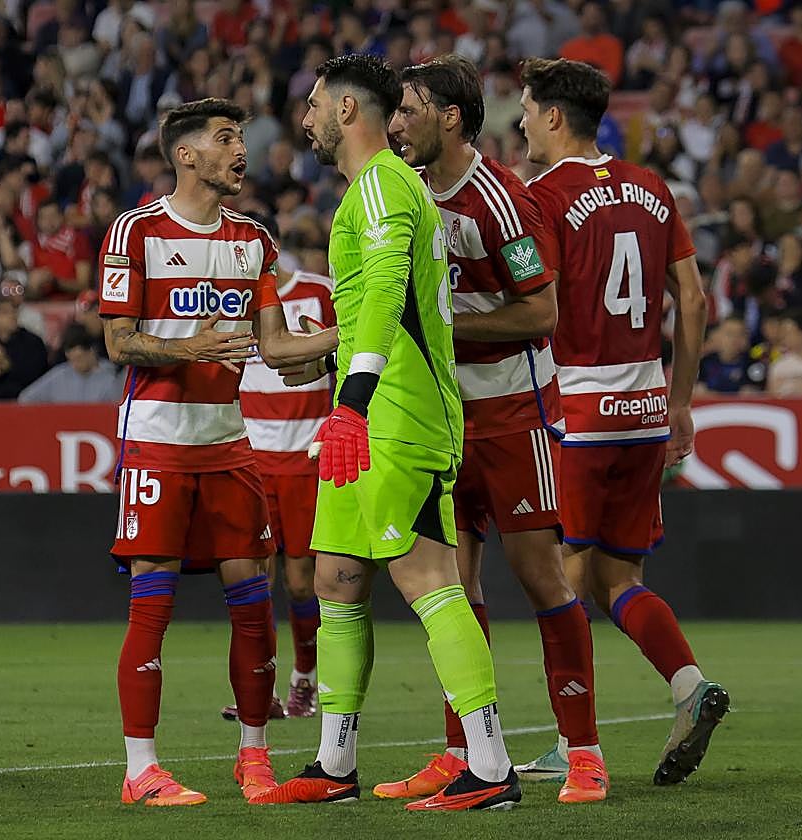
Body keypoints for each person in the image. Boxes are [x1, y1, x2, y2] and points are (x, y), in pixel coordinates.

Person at [252, 54, 518, 812]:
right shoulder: (375, 189)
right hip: (369, 414)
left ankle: (490, 766)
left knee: (429, 579)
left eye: (312, 104)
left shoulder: (382, 185)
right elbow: (382, 309)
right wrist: (334, 361)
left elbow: (388, 296)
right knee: (335, 580)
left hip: (396, 418)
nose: (304, 118)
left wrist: (352, 400)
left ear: (345, 110)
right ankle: (335, 765)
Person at [380, 55, 604, 806]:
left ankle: (584, 753)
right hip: (442, 415)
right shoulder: (406, 191)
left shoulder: (500, 201)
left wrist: (443, 324)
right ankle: (466, 754)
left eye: (409, 109)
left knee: (541, 577)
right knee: (453, 584)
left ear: (450, 118)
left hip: (513, 413)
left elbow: (541, 312)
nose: (396, 123)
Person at [101, 97, 338, 807]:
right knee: (154, 601)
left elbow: (277, 347)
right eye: (226, 138)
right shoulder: (136, 231)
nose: (241, 150)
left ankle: (254, 756)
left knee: (252, 600)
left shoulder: (253, 239)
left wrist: (347, 334)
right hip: (158, 442)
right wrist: (191, 348)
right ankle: (141, 769)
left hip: (231, 445)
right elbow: (119, 342)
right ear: (186, 154)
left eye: (240, 138)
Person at [519, 58, 728, 786]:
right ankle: (689, 686)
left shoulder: (543, 197)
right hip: (643, 409)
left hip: (577, 412)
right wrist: (680, 400)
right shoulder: (651, 187)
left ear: (554, 117)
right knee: (618, 577)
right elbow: (693, 299)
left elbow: (538, 306)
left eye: (526, 111)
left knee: (565, 580)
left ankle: (573, 742)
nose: (522, 125)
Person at [225, 263, 335, 721]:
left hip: (306, 460)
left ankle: (304, 678)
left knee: (300, 582)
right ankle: (260, 692)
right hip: (251, 460)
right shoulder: (231, 298)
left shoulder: (319, 292)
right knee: (254, 580)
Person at [17, 323, 122, 403]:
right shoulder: (59, 375)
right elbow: (25, 398)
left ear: (92, 351)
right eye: (72, 359)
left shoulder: (110, 378)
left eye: (80, 358)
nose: (76, 364)